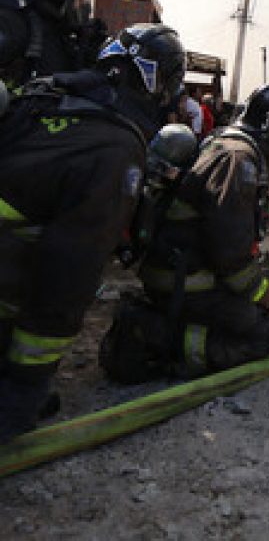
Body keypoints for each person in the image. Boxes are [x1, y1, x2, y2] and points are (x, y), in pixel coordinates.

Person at [0, 22, 185, 442]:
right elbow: (70, 270)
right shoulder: (115, 148)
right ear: (152, 77)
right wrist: (25, 385)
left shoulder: (43, 93)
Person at [100, 82, 269, 382]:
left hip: (183, 270)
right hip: (186, 281)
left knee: (257, 319)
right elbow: (229, 252)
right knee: (261, 337)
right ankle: (150, 337)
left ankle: (162, 327)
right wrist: (264, 294)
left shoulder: (228, 144)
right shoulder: (239, 160)